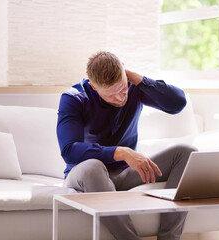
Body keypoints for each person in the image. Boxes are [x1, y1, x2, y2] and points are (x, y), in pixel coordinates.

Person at [57, 51, 196, 240]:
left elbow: (178, 103)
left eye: (122, 88)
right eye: (111, 95)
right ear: (94, 87)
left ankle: (169, 238)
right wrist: (120, 152)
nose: (120, 97)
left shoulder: (133, 86)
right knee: (93, 166)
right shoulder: (74, 97)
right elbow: (69, 151)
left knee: (187, 154)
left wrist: (135, 78)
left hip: (124, 174)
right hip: (86, 176)